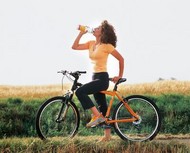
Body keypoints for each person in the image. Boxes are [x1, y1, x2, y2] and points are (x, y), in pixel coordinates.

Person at [72, 20, 124, 141]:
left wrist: (119, 75)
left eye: (98, 28)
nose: (94, 29)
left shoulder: (107, 46)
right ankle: (107, 136)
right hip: (94, 76)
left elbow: (121, 59)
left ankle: (97, 116)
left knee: (80, 92)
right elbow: (74, 47)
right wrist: (81, 33)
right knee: (102, 106)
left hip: (102, 78)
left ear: (102, 33)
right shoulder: (91, 43)